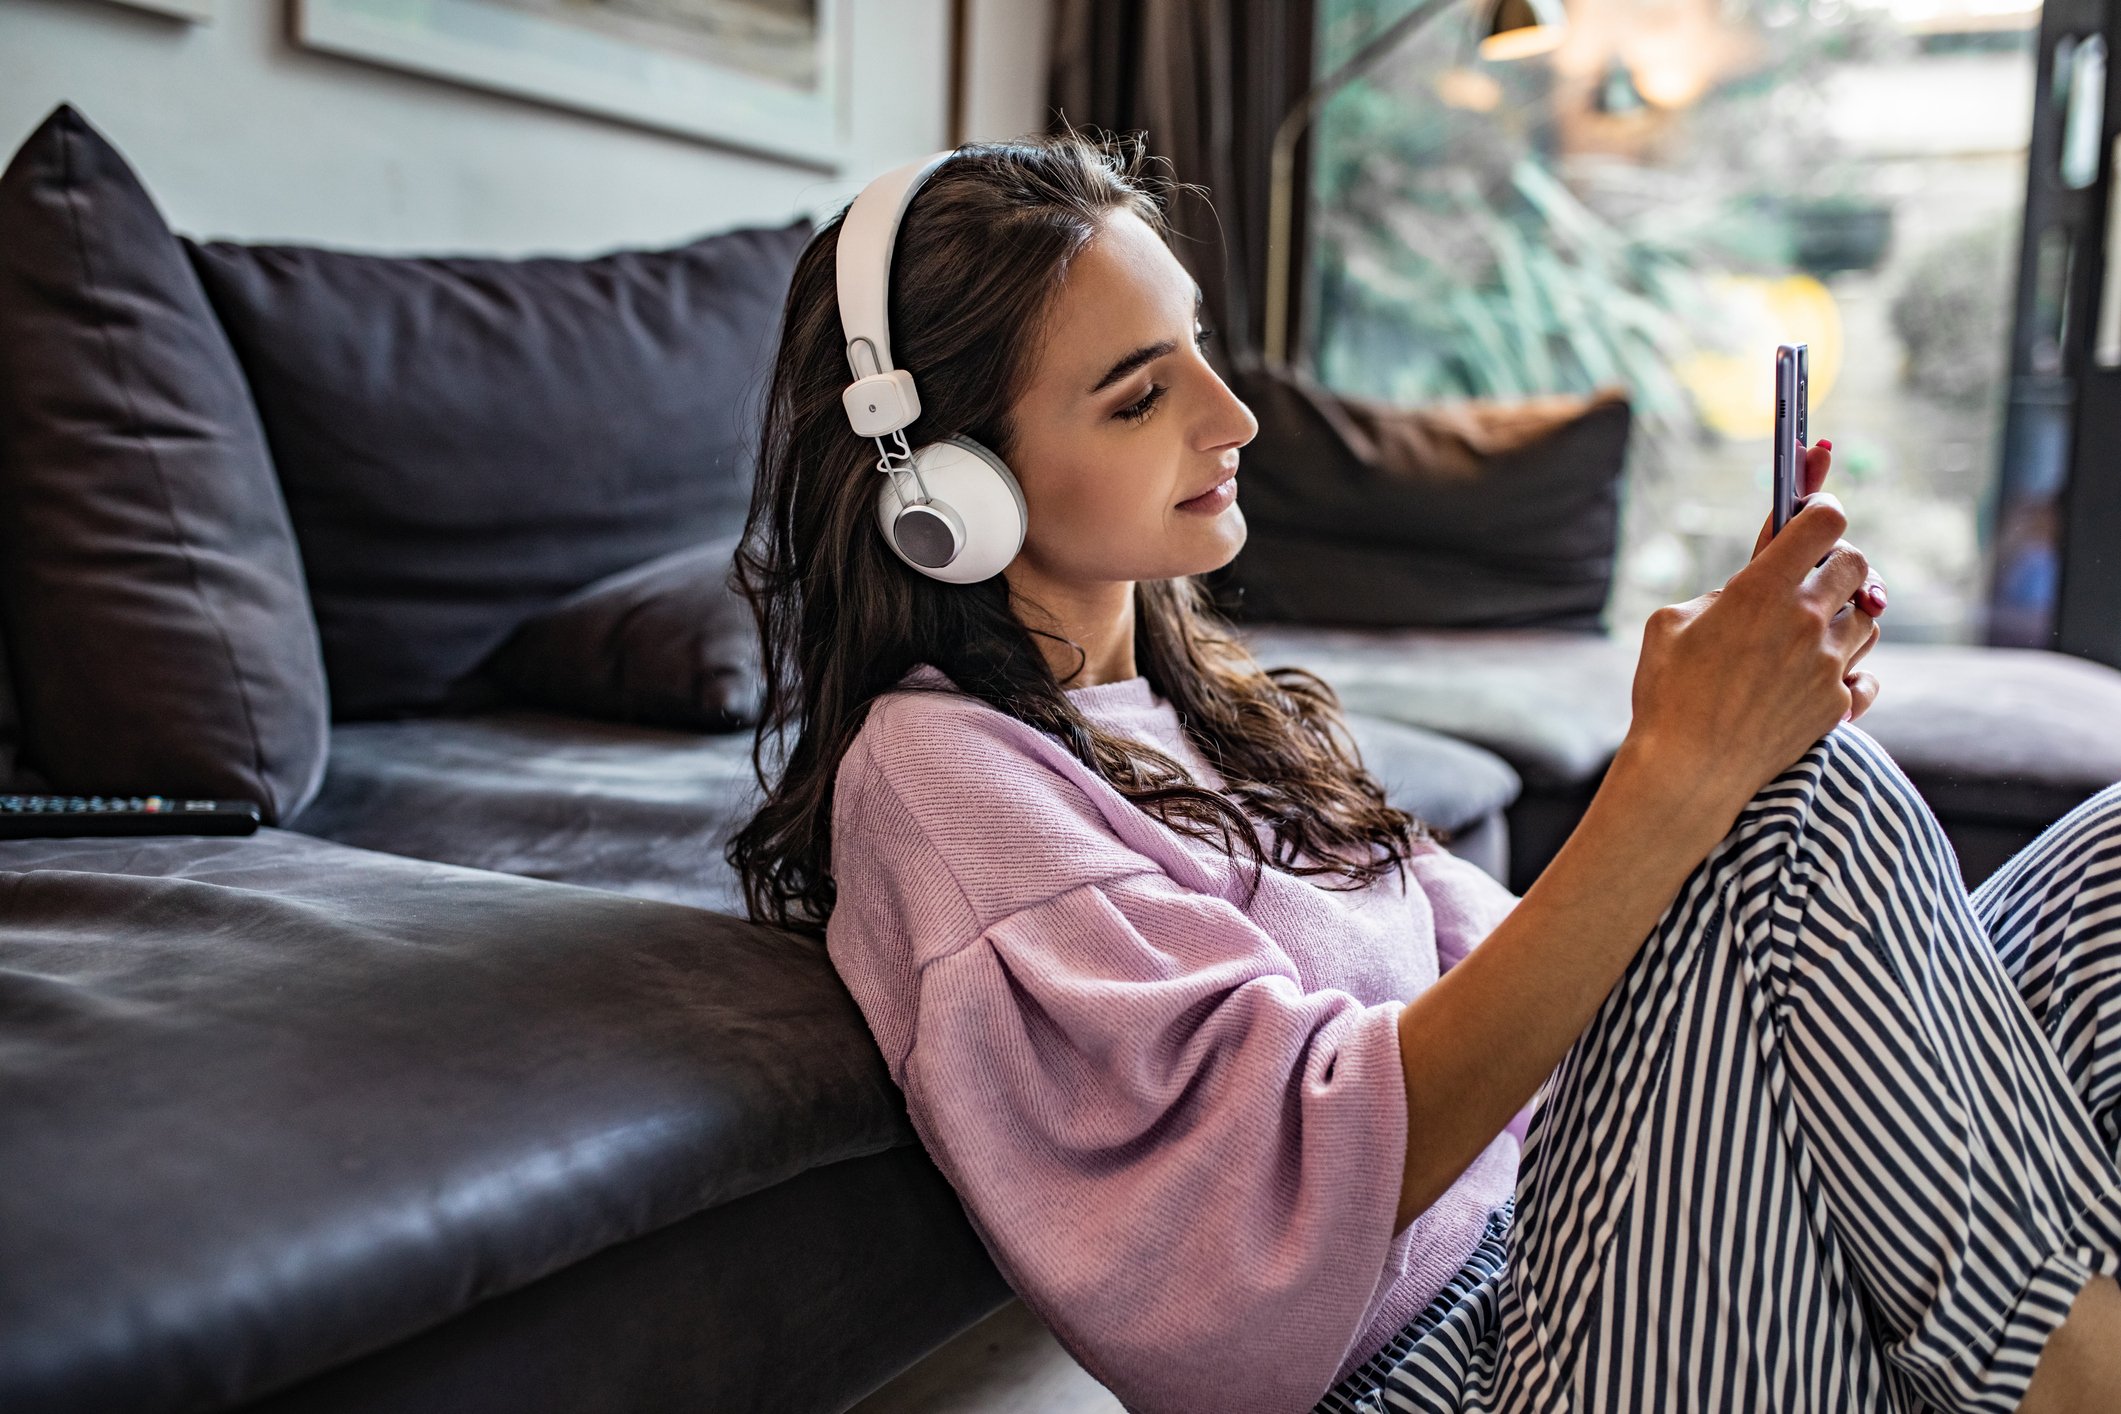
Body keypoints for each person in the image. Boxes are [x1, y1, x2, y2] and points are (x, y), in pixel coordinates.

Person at [724, 129, 2121, 1414]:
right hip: (1458, 1373)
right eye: (1142, 394)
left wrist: (1726, 729)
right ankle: (2066, 1365)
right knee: (1808, 810)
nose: (1232, 415)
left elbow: (1581, 996)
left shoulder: (1217, 711)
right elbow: (1253, 1222)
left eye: (1196, 347)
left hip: (1599, 1258)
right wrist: (1681, 774)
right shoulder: (943, 775)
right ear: (940, 486)